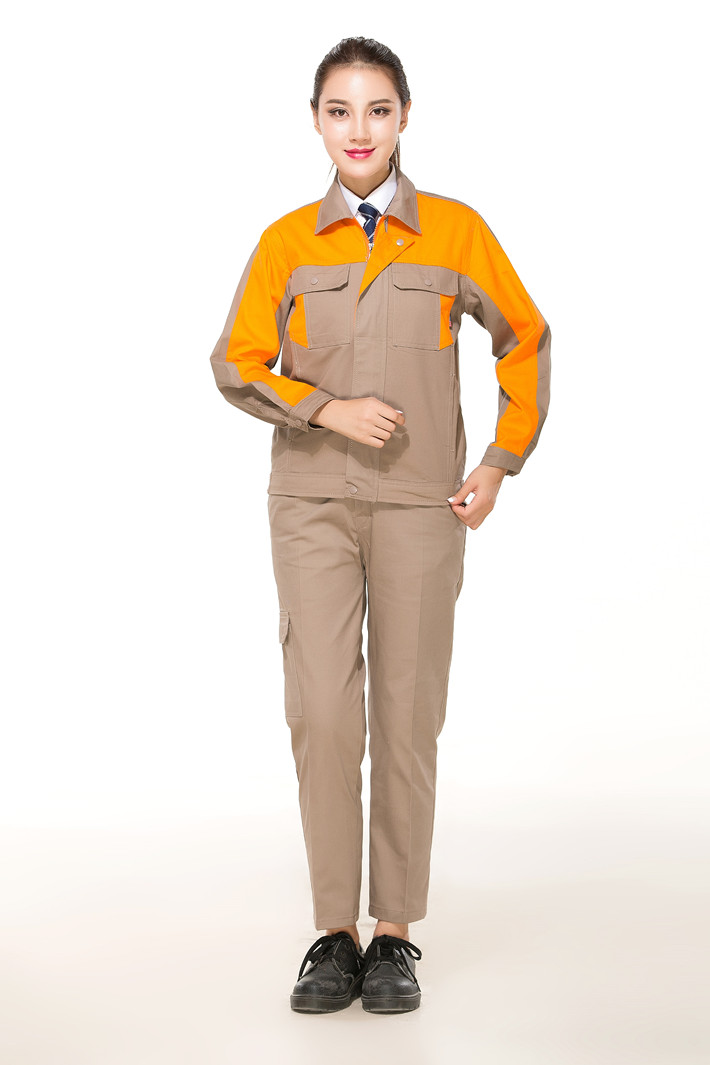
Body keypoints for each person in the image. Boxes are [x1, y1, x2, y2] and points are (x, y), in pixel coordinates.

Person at [209, 36, 551, 1015]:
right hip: (310, 500)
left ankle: (393, 932)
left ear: (404, 117)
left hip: (418, 505)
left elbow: (524, 337)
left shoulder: (454, 232)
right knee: (321, 711)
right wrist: (327, 408)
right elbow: (236, 362)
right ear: (316, 121)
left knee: (405, 715)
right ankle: (334, 932)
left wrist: (499, 460)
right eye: (339, 110)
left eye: (377, 109)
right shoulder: (287, 242)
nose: (358, 130)